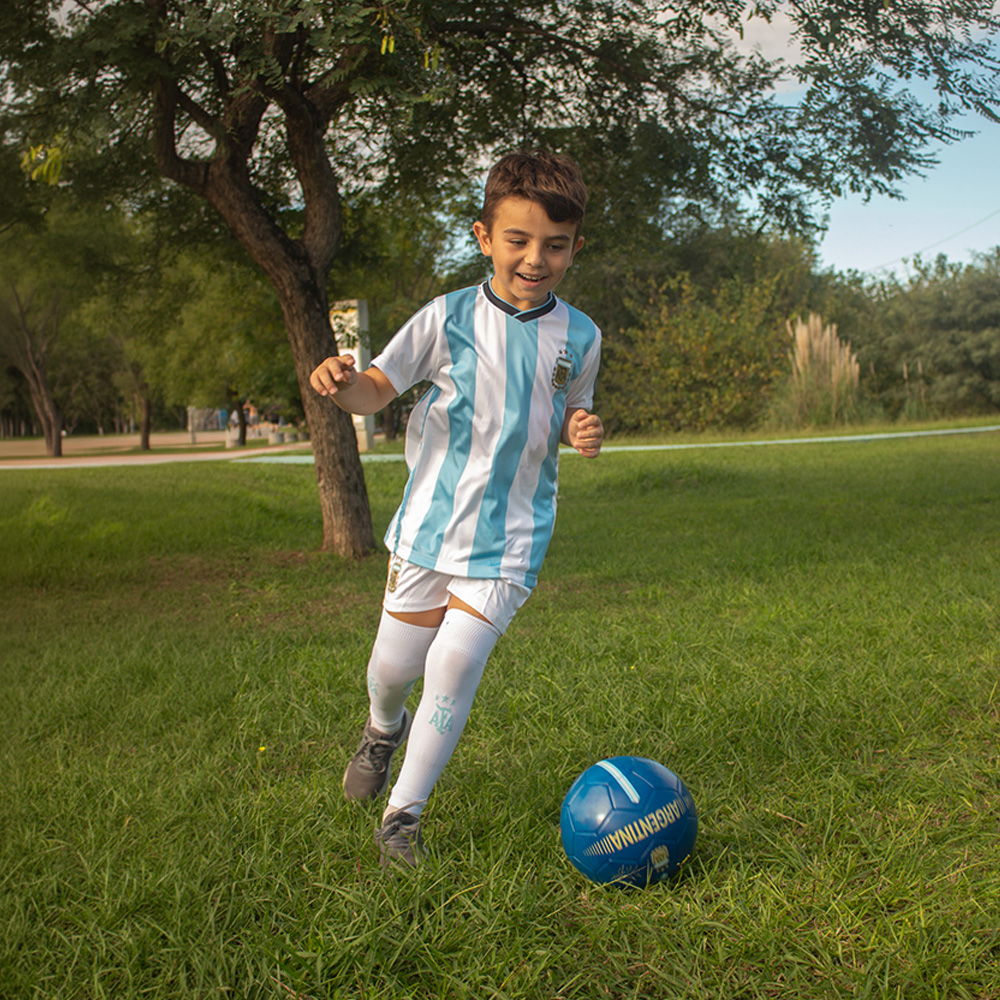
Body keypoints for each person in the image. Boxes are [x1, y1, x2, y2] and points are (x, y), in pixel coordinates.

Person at [309, 150, 604, 867]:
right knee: (393, 667)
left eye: (555, 246)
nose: (537, 259)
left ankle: (401, 819)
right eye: (519, 240)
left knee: (455, 664)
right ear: (483, 237)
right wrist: (336, 385)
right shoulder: (445, 319)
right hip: (429, 533)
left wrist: (580, 426)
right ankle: (382, 729)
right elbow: (374, 392)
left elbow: (569, 406)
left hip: (511, 540)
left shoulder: (583, 336)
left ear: (575, 248)